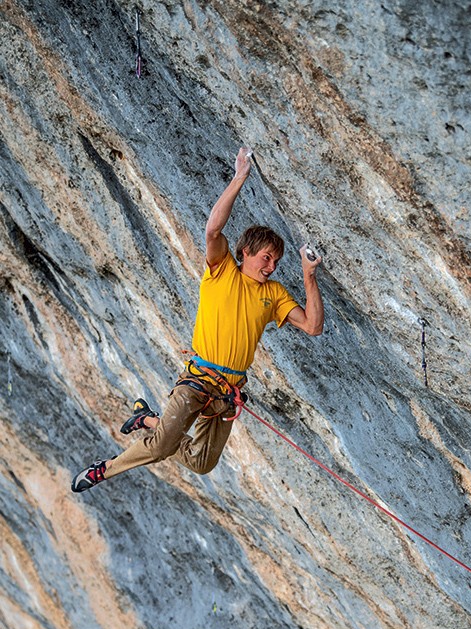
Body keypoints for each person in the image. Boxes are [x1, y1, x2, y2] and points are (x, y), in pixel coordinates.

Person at [71, 147, 324, 493]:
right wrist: (239, 177)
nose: (271, 267)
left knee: (203, 463)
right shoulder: (222, 272)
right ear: (246, 253)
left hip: (227, 393)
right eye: (267, 258)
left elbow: (313, 326)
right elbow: (212, 230)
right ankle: (105, 470)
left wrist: (309, 275)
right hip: (196, 381)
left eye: (277, 262)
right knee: (160, 448)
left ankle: (147, 419)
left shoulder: (275, 294)